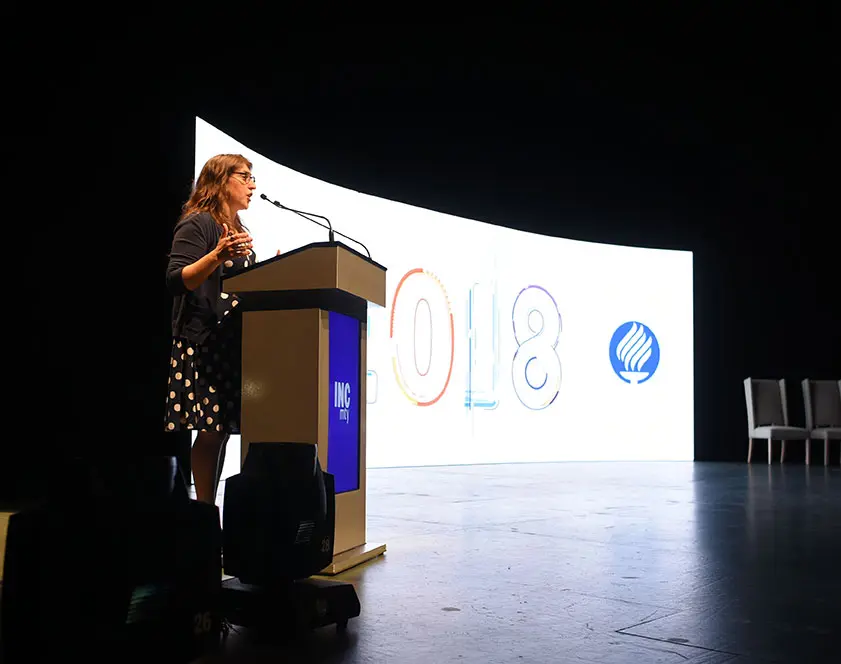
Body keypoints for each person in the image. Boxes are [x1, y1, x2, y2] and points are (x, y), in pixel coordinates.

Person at [164, 154, 258, 504]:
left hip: (230, 341)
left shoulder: (240, 231)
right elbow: (178, 279)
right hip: (202, 341)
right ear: (221, 180)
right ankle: (204, 513)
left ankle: (207, 510)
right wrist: (217, 256)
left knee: (220, 432)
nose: (253, 185)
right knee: (211, 431)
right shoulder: (199, 223)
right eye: (245, 176)